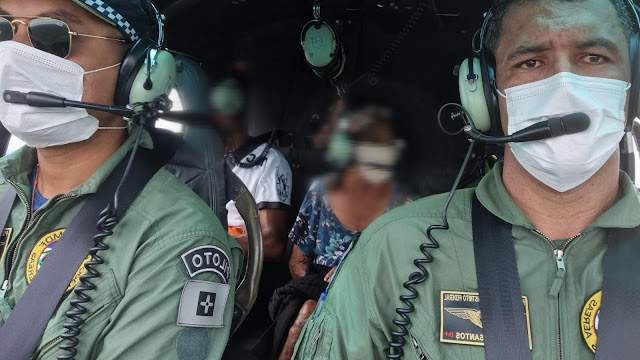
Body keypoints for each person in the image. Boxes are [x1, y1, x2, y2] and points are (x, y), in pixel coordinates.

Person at [292, 0, 640, 359]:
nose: (564, 87)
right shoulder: (392, 250)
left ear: (634, 83)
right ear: (485, 94)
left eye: (594, 57)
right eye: (530, 62)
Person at [0, 1, 242, 359]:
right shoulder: (7, 187)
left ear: (139, 72)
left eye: (53, 36)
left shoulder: (176, 240)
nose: (14, 53)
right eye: (4, 30)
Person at [275, 102, 412, 360]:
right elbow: (297, 261)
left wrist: (350, 277)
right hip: (317, 287)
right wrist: (328, 294)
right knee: (304, 314)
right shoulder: (321, 191)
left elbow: (405, 272)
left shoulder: (402, 203)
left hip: (370, 295)